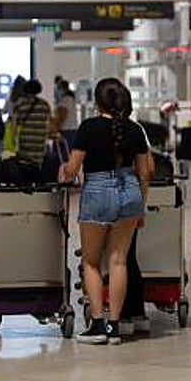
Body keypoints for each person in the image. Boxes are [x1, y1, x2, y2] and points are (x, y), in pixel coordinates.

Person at [62, 78, 153, 345]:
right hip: (130, 192)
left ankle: (97, 324)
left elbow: (72, 168)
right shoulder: (135, 129)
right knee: (119, 261)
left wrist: (66, 172)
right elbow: (146, 171)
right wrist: (141, 209)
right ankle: (115, 326)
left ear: (97, 101)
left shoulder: (88, 128)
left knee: (90, 261)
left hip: (98, 190)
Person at [8, 79, 53, 183]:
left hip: (26, 139)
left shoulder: (19, 103)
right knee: (37, 164)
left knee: (25, 164)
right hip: (39, 140)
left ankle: (26, 186)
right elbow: (48, 124)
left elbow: (14, 124)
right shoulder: (44, 104)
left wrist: (13, 138)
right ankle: (37, 186)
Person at [56, 79, 79, 148]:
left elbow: (62, 116)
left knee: (65, 153)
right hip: (72, 129)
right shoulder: (70, 98)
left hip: (67, 130)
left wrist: (56, 129)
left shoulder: (66, 99)